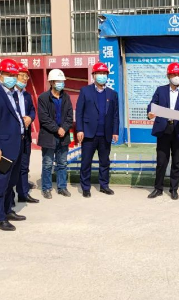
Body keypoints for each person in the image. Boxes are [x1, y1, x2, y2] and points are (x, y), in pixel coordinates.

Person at [0, 58, 27, 231]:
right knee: (1, 184)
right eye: (8, 74)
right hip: (1, 149)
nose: (11, 77)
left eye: (14, 75)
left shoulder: (13, 94)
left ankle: (8, 210)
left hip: (16, 145)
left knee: (11, 182)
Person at [146, 62, 179, 200]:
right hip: (163, 130)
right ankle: (158, 188)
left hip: (178, 130)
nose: (176, 77)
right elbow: (152, 105)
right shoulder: (160, 90)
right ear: (168, 76)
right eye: (174, 74)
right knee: (161, 161)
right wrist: (150, 113)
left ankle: (174, 189)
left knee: (176, 162)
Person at [75, 62, 119, 198]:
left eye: (104, 73)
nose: (102, 76)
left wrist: (115, 131)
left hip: (105, 134)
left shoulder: (112, 94)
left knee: (104, 162)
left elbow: (115, 115)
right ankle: (85, 187)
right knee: (86, 162)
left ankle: (104, 186)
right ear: (93, 75)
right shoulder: (85, 91)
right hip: (89, 133)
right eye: (99, 73)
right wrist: (80, 129)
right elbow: (79, 112)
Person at [37, 69, 74, 199]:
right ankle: (46, 188)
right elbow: (44, 118)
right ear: (51, 82)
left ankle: (62, 187)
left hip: (63, 136)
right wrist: (57, 129)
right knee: (47, 163)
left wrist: (64, 128)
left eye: (62, 81)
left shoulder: (66, 97)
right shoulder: (43, 98)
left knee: (62, 163)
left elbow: (70, 116)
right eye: (58, 81)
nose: (61, 83)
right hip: (49, 136)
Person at [14, 63, 39, 204]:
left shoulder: (27, 95)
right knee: (11, 167)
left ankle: (23, 193)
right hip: (12, 137)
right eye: (21, 76)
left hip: (26, 136)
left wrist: (30, 117)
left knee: (24, 166)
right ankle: (9, 197)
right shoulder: (9, 95)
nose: (24, 79)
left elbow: (32, 110)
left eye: (26, 76)